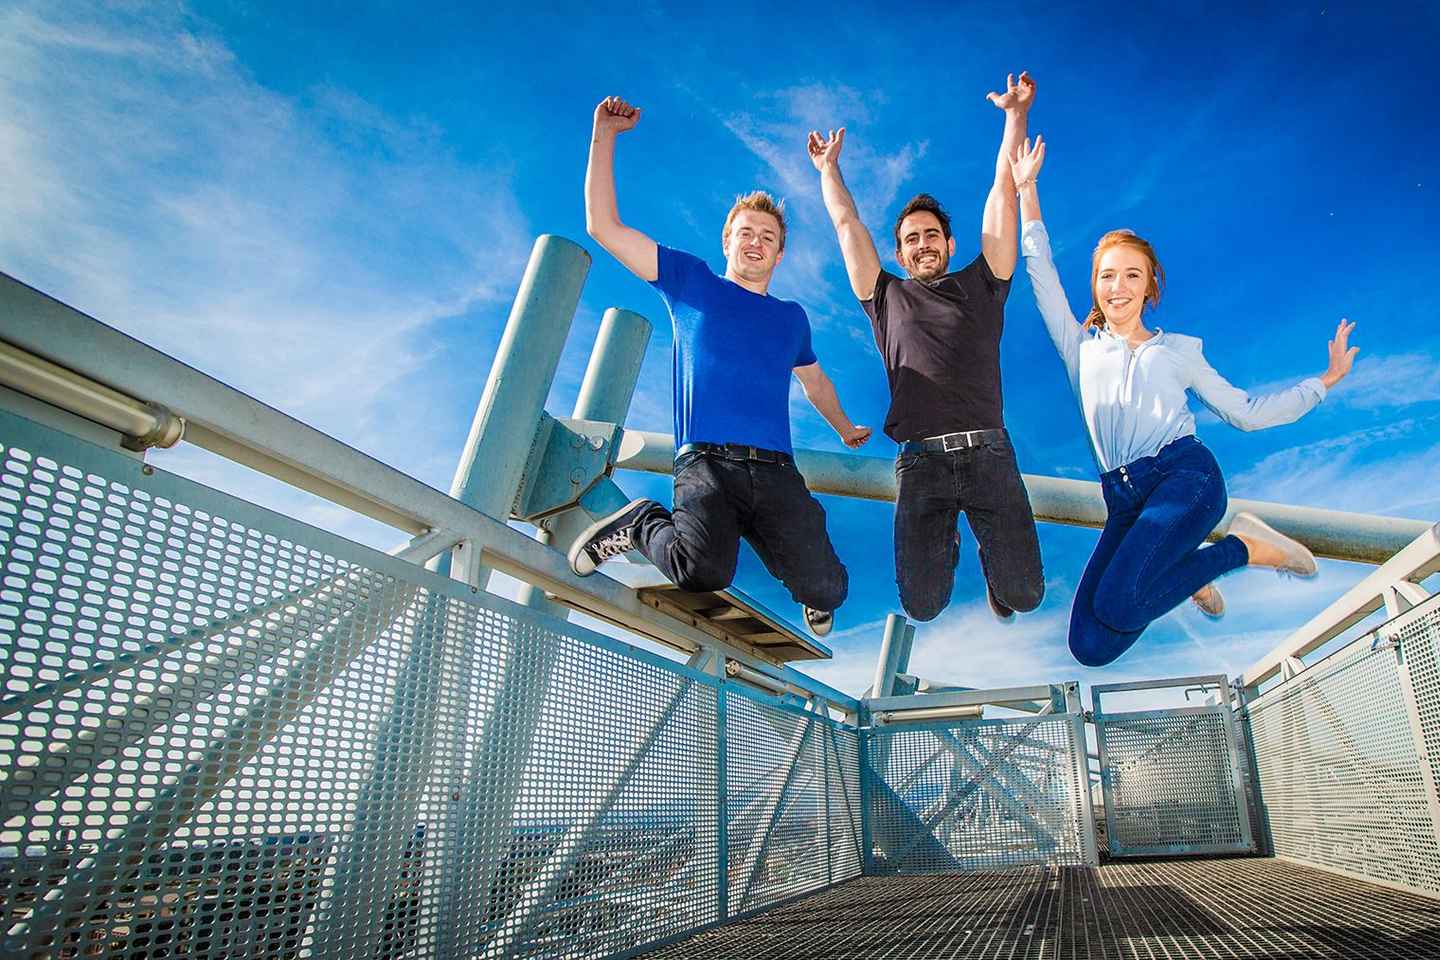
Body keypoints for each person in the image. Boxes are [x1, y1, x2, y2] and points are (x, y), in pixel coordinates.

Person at [1010, 134, 1358, 667]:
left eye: (1132, 275)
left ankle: (1242, 547)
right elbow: (1040, 270)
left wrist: (1325, 381)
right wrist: (1027, 189)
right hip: (1124, 499)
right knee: (1090, 645)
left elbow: (1247, 413)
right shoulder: (1079, 347)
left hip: (1184, 478)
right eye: (1107, 276)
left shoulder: (1178, 351)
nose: (1118, 286)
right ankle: (1182, 569)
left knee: (1122, 603)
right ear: (1095, 286)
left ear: (1150, 287)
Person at [572, 95, 872, 637]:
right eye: (746, 233)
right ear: (727, 242)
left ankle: (809, 584)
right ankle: (640, 523)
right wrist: (605, 136)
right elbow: (603, 226)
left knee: (829, 589)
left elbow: (815, 382)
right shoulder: (691, 283)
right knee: (701, 571)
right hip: (706, 465)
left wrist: (845, 427)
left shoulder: (791, 318)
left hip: (776, 471)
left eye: (768, 237)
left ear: (779, 254)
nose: (756, 243)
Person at [808, 72, 1045, 623]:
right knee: (922, 605)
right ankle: (951, 542)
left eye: (931, 234)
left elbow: (1002, 192)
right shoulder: (885, 297)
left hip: (989, 454)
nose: (922, 244)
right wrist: (828, 170)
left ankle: (994, 563)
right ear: (900, 253)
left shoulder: (984, 283)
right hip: (921, 464)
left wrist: (1015, 116)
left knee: (1024, 595)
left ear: (950, 244)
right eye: (911, 239)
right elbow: (846, 224)